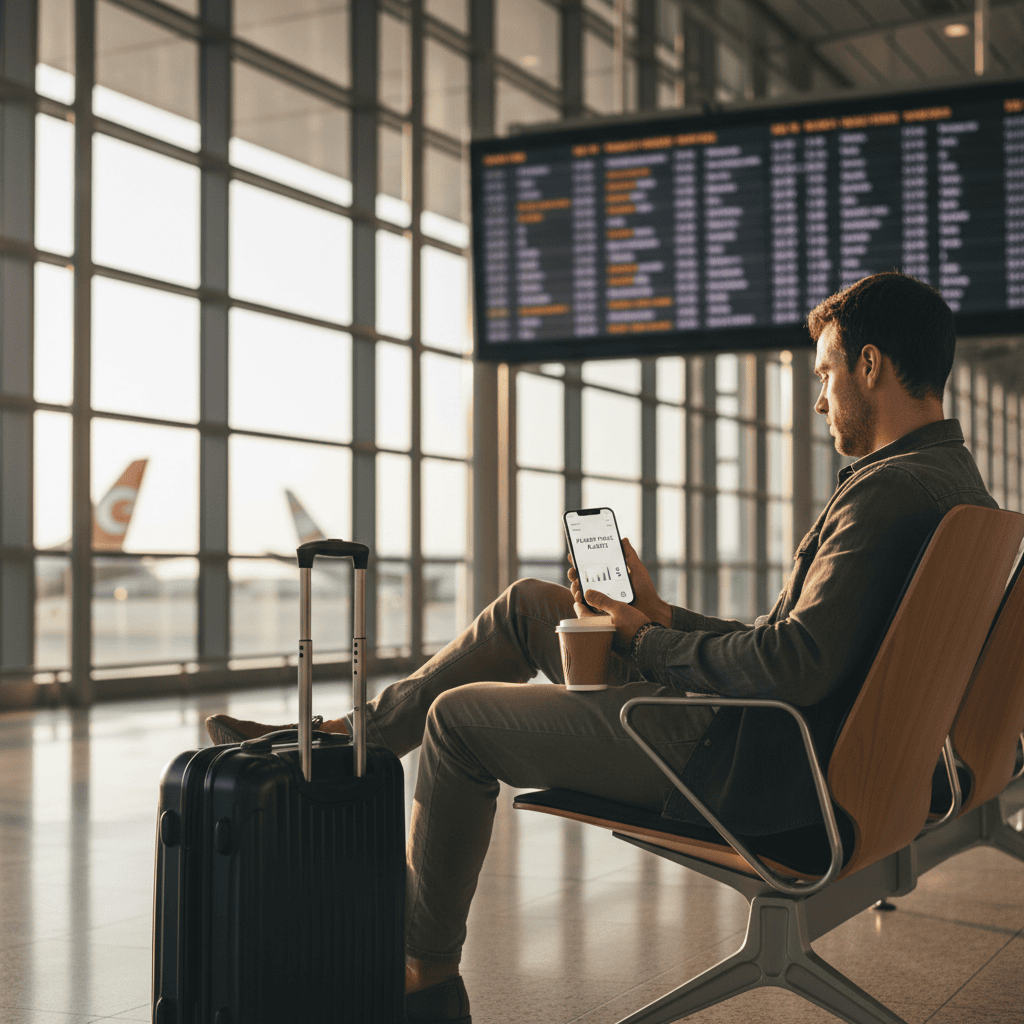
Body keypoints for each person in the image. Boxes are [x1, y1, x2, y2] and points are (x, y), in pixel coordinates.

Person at [207, 272, 996, 1024]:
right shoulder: (953, 484)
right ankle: (349, 739)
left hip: (754, 761)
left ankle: (423, 976)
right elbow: (806, 648)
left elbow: (794, 666)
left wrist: (649, 645)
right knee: (528, 608)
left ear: (870, 364)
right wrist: (659, 617)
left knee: (457, 724)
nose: (818, 399)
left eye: (825, 374)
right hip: (790, 740)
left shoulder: (884, 492)